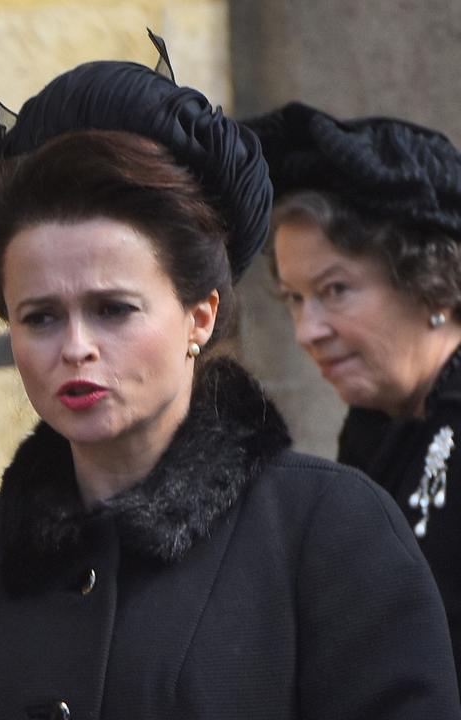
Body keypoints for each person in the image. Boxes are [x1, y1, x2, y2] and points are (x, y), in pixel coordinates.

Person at [0, 37, 460, 719]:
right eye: (40, 317)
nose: (76, 347)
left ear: (199, 315)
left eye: (113, 309)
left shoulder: (330, 533)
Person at [249, 102, 461, 680]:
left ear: (431, 281)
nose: (306, 331)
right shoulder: (377, 427)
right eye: (294, 298)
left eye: (335, 289)